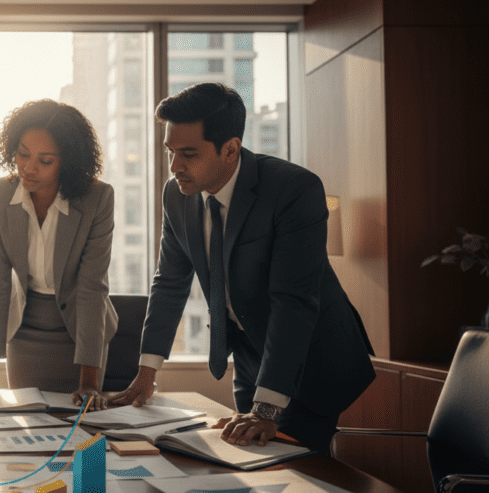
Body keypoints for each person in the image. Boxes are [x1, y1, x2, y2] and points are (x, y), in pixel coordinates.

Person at [110, 82, 375, 452]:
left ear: (230, 148)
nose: (174, 166)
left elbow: (293, 301)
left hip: (309, 358)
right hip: (249, 356)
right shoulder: (178, 194)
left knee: (294, 477)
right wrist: (146, 374)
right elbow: (170, 283)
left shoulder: (293, 189)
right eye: (170, 151)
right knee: (244, 461)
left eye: (188, 154)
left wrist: (266, 409)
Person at [0, 99, 117, 411]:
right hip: (24, 329)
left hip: (81, 330)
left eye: (45, 160)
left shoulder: (98, 198)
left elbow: (93, 288)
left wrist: (90, 383)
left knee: (79, 434)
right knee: (29, 434)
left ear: (67, 162)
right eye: (23, 153)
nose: (28, 167)